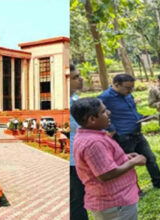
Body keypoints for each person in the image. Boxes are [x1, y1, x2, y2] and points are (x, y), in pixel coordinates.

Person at [72, 98, 146, 220]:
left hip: (117, 201)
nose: (109, 112)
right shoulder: (93, 143)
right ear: (92, 119)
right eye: (103, 111)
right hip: (116, 205)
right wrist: (134, 162)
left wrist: (124, 158)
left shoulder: (92, 135)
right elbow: (105, 174)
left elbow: (100, 163)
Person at [98, 74, 160, 189]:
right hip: (123, 136)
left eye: (132, 88)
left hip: (137, 133)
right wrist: (111, 128)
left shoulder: (128, 95)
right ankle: (135, 189)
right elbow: (98, 116)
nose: (130, 91)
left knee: (150, 158)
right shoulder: (104, 98)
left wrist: (143, 117)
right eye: (127, 88)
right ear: (116, 85)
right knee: (127, 164)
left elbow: (133, 111)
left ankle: (158, 183)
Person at [69, 64, 88, 220]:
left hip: (81, 157)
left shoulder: (75, 99)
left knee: (82, 198)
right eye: (75, 77)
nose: (80, 79)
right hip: (71, 161)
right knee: (76, 201)